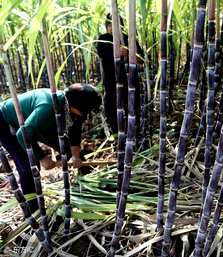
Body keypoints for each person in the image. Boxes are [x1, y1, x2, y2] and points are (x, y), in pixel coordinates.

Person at [0, 83, 102, 211]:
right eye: (89, 109)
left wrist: (75, 156)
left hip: (37, 124)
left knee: (72, 152)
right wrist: (42, 157)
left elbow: (75, 133)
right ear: (79, 106)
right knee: (30, 166)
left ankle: (89, 188)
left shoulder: (75, 109)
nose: (89, 115)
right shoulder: (48, 106)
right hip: (7, 122)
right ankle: (33, 209)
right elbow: (22, 134)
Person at [96, 13, 142, 134]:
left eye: (115, 24)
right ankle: (116, 132)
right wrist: (117, 52)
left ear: (121, 26)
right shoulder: (103, 39)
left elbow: (141, 60)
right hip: (112, 80)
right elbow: (103, 55)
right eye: (109, 25)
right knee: (112, 106)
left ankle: (133, 131)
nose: (112, 28)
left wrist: (130, 52)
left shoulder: (129, 38)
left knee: (132, 105)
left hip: (130, 81)